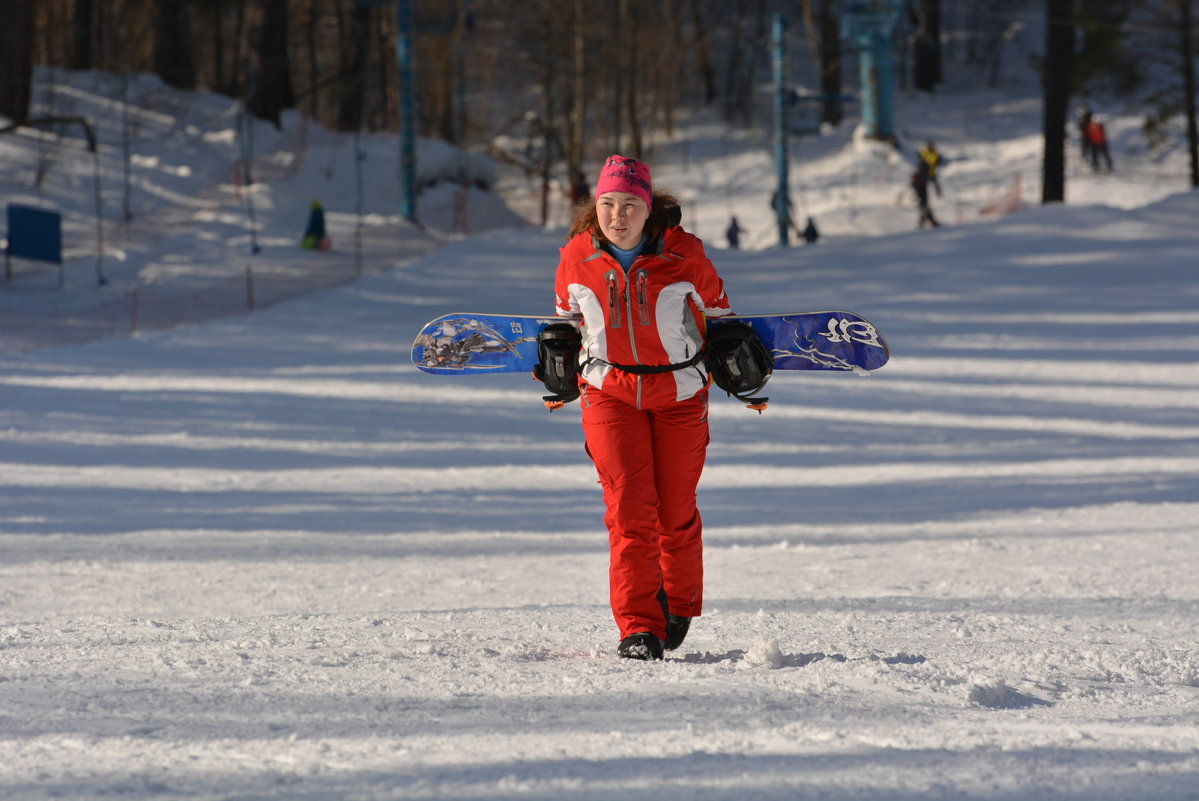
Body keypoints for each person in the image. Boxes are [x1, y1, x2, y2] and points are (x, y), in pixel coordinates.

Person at [550, 154, 734, 661]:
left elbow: (719, 312)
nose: (618, 215)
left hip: (678, 395)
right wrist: (558, 357)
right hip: (608, 393)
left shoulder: (684, 255)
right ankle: (638, 626)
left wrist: (739, 355)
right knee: (629, 511)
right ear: (596, 208)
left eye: (630, 204)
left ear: (649, 210)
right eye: (608, 204)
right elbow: (567, 317)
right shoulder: (576, 257)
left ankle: (678, 601)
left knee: (674, 509)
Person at [910, 160, 940, 229]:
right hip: (921, 191)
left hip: (922, 191)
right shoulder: (922, 173)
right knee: (924, 207)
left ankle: (930, 222)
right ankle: (924, 222)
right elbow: (916, 183)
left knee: (925, 207)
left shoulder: (922, 172)